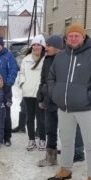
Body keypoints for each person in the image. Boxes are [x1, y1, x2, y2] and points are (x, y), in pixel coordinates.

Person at [46, 23, 91, 180]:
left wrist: (89, 96)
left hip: (86, 108)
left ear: (83, 37)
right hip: (65, 108)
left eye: (77, 35)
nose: (73, 38)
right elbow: (51, 77)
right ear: (66, 39)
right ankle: (66, 170)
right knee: (66, 141)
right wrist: (55, 94)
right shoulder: (61, 57)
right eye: (70, 36)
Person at [37, 35, 63, 166]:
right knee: (50, 129)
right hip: (49, 101)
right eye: (46, 45)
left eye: (49, 46)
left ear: (58, 47)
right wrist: (40, 96)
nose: (46, 48)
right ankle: (51, 158)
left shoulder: (66, 60)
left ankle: (69, 158)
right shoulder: (46, 60)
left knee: (65, 131)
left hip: (62, 102)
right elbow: (42, 80)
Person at [18, 34, 46, 151]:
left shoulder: (46, 59)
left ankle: (42, 140)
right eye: (34, 45)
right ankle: (31, 140)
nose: (36, 47)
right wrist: (22, 83)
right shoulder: (26, 59)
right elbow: (22, 73)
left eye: (38, 45)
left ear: (43, 46)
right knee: (30, 117)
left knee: (41, 118)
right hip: (28, 92)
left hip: (41, 93)